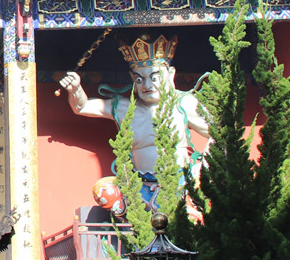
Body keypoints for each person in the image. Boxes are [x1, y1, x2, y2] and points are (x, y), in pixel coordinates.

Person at [58, 34, 209, 211]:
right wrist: (75, 89)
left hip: (181, 183)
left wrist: (203, 166)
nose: (147, 84)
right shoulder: (124, 108)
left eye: (154, 77)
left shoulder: (184, 103)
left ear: (170, 74)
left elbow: (221, 134)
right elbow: (82, 107)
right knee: (103, 189)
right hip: (139, 186)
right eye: (139, 79)